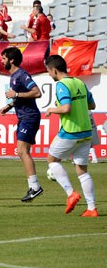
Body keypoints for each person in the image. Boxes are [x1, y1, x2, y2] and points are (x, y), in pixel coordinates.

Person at [43, 55, 98, 217]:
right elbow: (92, 105)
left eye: (48, 71)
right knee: (82, 171)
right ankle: (91, 208)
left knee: (52, 160)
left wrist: (52, 109)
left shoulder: (61, 85)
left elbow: (66, 108)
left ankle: (71, 193)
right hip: (86, 132)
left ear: (54, 70)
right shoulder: (79, 82)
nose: (48, 75)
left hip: (71, 131)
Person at [0, 47, 44, 202]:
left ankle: (35, 187)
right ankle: (33, 186)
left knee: (22, 151)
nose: (1, 60)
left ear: (11, 60)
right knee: (22, 151)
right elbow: (21, 97)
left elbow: (37, 92)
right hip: (24, 117)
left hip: (29, 117)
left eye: (3, 58)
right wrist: (10, 105)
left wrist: (16, 95)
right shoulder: (13, 76)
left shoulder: (22, 75)